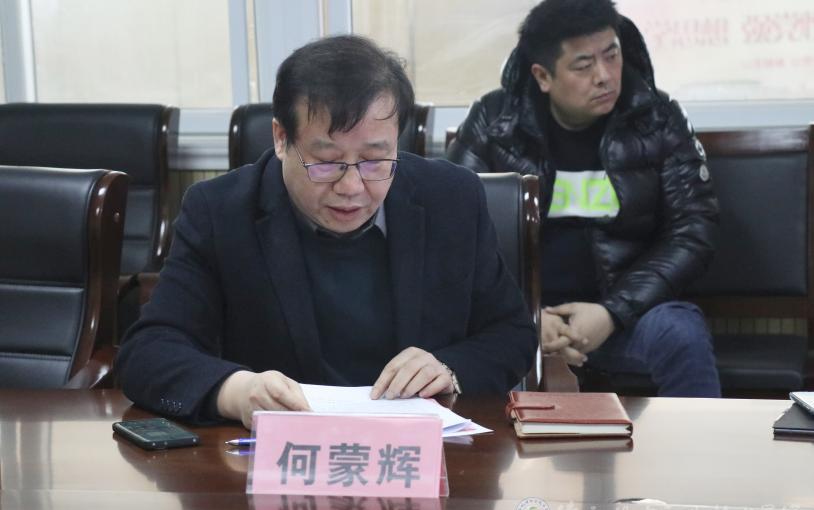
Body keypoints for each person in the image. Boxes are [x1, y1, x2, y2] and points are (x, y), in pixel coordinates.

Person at [117, 35, 536, 428]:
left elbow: (511, 334)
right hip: (280, 457)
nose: (351, 187)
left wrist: (449, 369)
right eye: (327, 162)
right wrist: (235, 391)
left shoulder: (452, 198)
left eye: (375, 160)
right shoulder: (220, 211)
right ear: (281, 138)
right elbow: (148, 352)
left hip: (424, 455)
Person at [447, 0, 721, 397]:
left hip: (624, 316)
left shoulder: (658, 119)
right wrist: (524, 316)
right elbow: (452, 231)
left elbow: (692, 230)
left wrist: (613, 312)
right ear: (543, 76)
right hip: (516, 318)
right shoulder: (494, 123)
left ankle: (699, 441)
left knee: (681, 333)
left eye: (612, 55)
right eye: (583, 65)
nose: (605, 76)